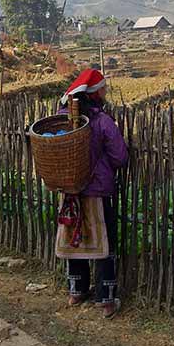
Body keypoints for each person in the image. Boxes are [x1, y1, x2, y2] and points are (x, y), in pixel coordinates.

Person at [57, 69, 128, 319]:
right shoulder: (102, 121)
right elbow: (120, 157)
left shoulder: (61, 118)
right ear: (94, 93)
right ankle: (106, 300)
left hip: (69, 191)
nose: (105, 93)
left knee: (74, 238)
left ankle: (76, 291)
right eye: (103, 89)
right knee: (103, 242)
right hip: (97, 190)